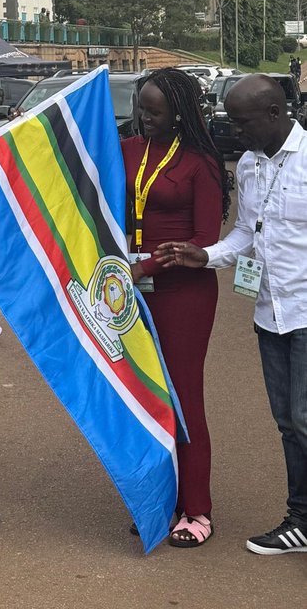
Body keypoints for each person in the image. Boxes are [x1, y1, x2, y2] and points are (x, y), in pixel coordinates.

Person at [159, 74, 307, 555]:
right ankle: (301, 520)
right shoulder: (247, 164)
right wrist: (207, 255)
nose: (235, 131)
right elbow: (247, 232)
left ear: (274, 113)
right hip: (270, 312)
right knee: (289, 422)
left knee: (304, 419)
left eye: (242, 122)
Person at [121, 67, 226, 547]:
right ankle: (159, 500)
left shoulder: (199, 162)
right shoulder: (130, 150)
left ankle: (196, 508)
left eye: (155, 111)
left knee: (184, 398)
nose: (144, 118)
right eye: (141, 107)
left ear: (179, 113)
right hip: (133, 291)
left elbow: (205, 238)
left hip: (183, 292)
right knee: (145, 396)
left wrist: (144, 268)